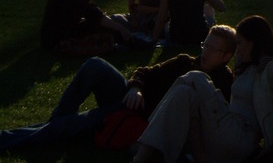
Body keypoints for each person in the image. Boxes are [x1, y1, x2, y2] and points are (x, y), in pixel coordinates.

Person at [0, 25, 236, 152]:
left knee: (72, 124)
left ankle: (14, 138)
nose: (205, 51)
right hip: (131, 100)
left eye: (213, 49)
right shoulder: (186, 61)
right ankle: (56, 127)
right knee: (95, 65)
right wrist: (136, 88)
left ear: (226, 56)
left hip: (139, 119)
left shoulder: (221, 85)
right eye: (206, 44)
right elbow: (144, 71)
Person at [133, 15, 273, 163]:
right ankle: (142, 154)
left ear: (254, 42)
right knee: (185, 91)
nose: (238, 50)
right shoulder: (246, 69)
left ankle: (146, 142)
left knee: (196, 77)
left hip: (242, 136)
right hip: (226, 130)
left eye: (241, 43)